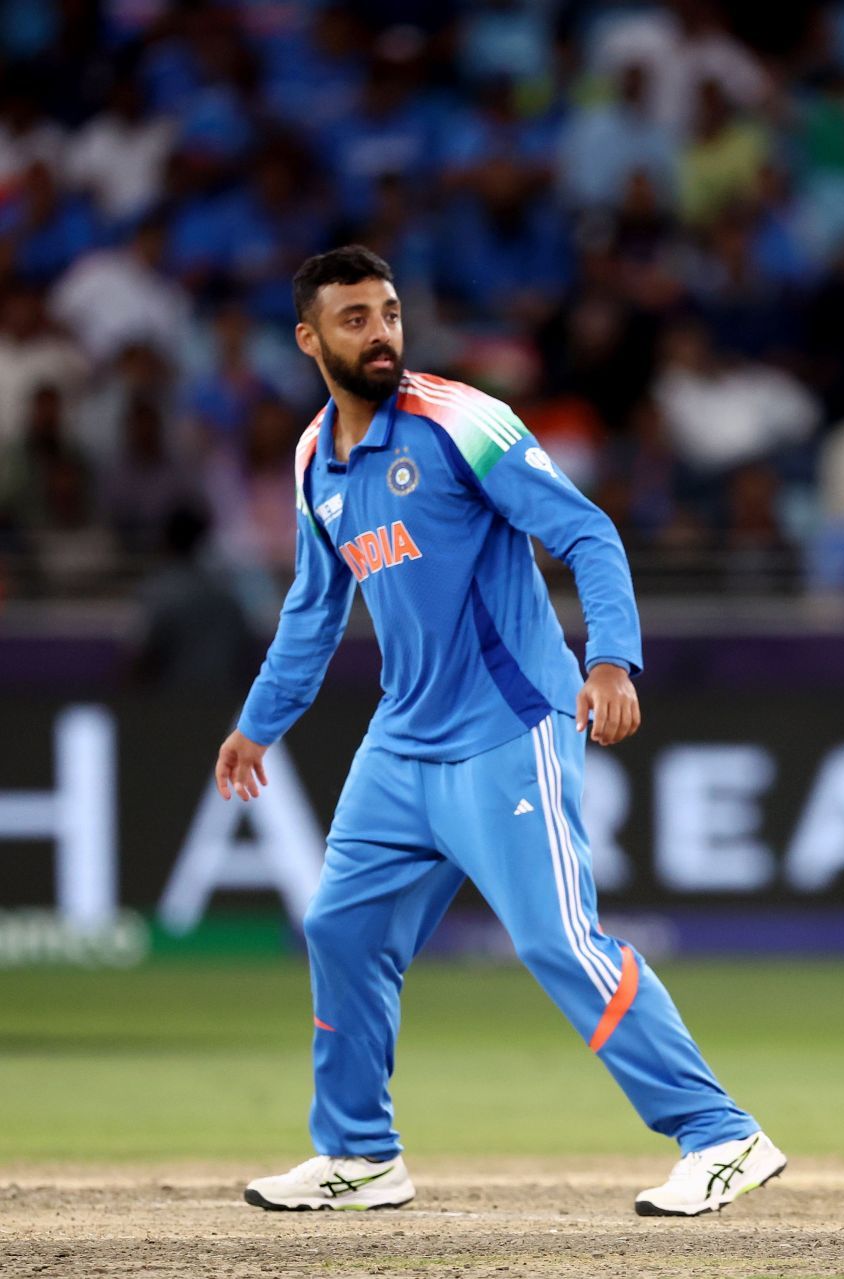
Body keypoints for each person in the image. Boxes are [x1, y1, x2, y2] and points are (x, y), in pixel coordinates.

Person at [212, 247, 784, 1216]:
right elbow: (313, 612)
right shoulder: (317, 458)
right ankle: (360, 1152)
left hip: (508, 726)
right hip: (402, 744)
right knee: (340, 928)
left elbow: (588, 532)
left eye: (390, 311)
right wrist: (256, 725)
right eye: (355, 318)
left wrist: (612, 659)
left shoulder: (458, 419)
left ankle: (722, 1134)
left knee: (559, 938)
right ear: (309, 339)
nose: (381, 332)